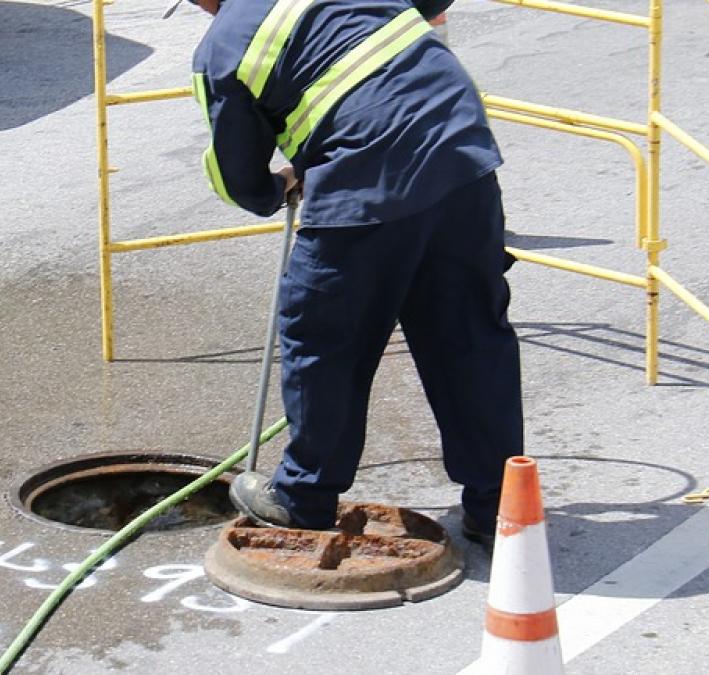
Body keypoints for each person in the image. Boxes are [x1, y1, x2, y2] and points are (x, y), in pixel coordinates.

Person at [178, 0, 522, 544]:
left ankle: (302, 496)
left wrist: (282, 185)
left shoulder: (223, 49)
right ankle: (500, 504)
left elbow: (236, 177)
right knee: (469, 336)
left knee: (322, 339)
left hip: (366, 182)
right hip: (458, 149)